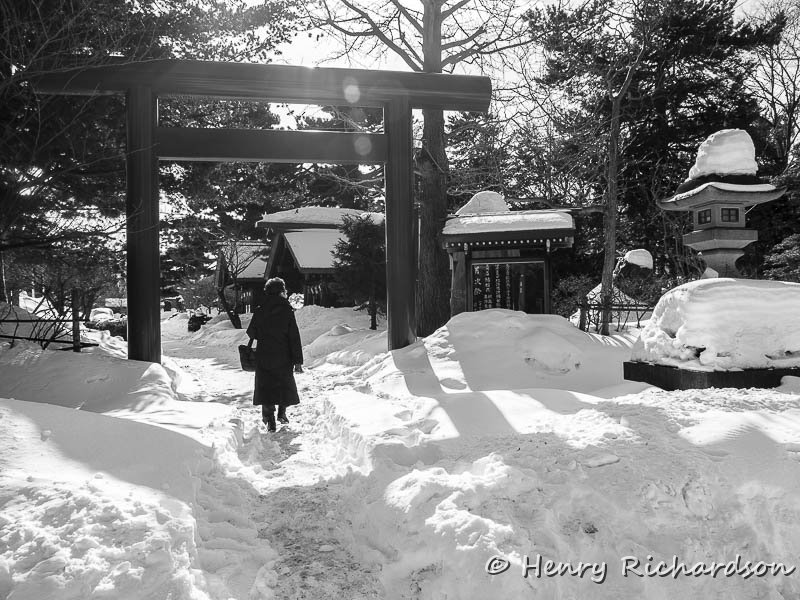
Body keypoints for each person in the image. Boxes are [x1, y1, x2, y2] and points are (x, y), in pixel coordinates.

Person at [246, 277, 304, 432]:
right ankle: (282, 414)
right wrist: (298, 361)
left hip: (264, 354)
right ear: (281, 291)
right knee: (283, 384)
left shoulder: (260, 309)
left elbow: (251, 332)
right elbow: (294, 336)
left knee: (266, 386)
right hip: (284, 354)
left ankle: (269, 419)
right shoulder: (287, 310)